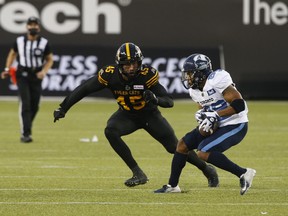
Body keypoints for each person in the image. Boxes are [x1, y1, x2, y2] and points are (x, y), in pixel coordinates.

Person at [53, 43, 219, 187]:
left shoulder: (147, 75)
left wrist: (155, 99)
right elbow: (85, 88)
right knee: (110, 131)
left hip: (150, 116)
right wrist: (63, 107)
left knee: (174, 147)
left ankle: (206, 169)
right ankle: (138, 173)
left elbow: (169, 101)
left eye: (135, 63)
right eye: (127, 64)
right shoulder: (109, 74)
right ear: (120, 64)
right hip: (127, 115)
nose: (132, 67)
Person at [154, 54, 256, 195]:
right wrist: (202, 116)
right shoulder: (194, 90)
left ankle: (244, 173)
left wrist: (216, 115)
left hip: (235, 123)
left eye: (190, 73)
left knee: (203, 152)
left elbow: (240, 105)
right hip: (218, 123)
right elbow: (204, 108)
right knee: (183, 145)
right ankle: (172, 186)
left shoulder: (217, 79)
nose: (187, 77)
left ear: (201, 72)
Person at [1, 16, 54, 143]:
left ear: (39, 27)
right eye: (30, 24)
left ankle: (27, 126)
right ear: (27, 27)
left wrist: (44, 71)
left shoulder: (44, 43)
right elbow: (12, 54)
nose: (33, 27)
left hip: (36, 75)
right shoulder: (19, 41)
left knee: (35, 105)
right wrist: (7, 69)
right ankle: (26, 134)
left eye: (35, 24)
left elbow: (50, 59)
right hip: (22, 75)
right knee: (25, 103)